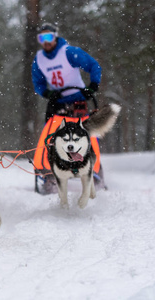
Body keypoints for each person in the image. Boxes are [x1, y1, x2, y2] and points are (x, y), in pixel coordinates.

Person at [31, 22, 105, 194]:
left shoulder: (69, 52)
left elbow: (93, 65)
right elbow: (38, 83)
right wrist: (47, 94)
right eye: (42, 38)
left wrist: (93, 85)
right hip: (57, 104)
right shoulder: (39, 59)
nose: (46, 41)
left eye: (49, 37)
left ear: (55, 36)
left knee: (88, 137)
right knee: (50, 138)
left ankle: (95, 173)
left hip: (79, 101)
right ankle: (49, 175)